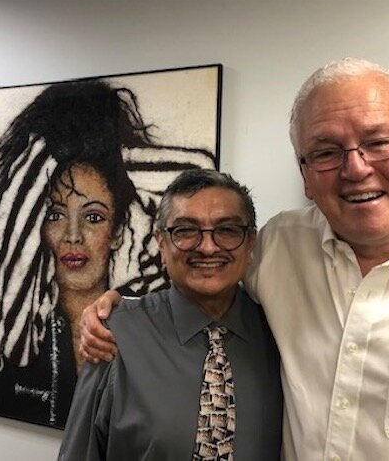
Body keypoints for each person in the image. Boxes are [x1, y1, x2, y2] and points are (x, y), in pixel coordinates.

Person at [80, 58, 389, 459]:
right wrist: (112, 308)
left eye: (379, 142)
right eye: (326, 151)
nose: (355, 167)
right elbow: (203, 276)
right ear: (305, 174)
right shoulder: (279, 246)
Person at [0, 79, 215, 428]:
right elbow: (9, 219)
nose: (73, 235)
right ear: (35, 226)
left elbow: (196, 173)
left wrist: (113, 152)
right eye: (54, 215)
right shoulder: (12, 323)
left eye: (94, 217)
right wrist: (48, 148)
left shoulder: (143, 311)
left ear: (117, 230)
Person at [58, 169, 282, 460]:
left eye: (227, 230)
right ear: (161, 244)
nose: (208, 246)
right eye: (186, 230)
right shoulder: (114, 337)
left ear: (250, 243)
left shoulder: (278, 334)